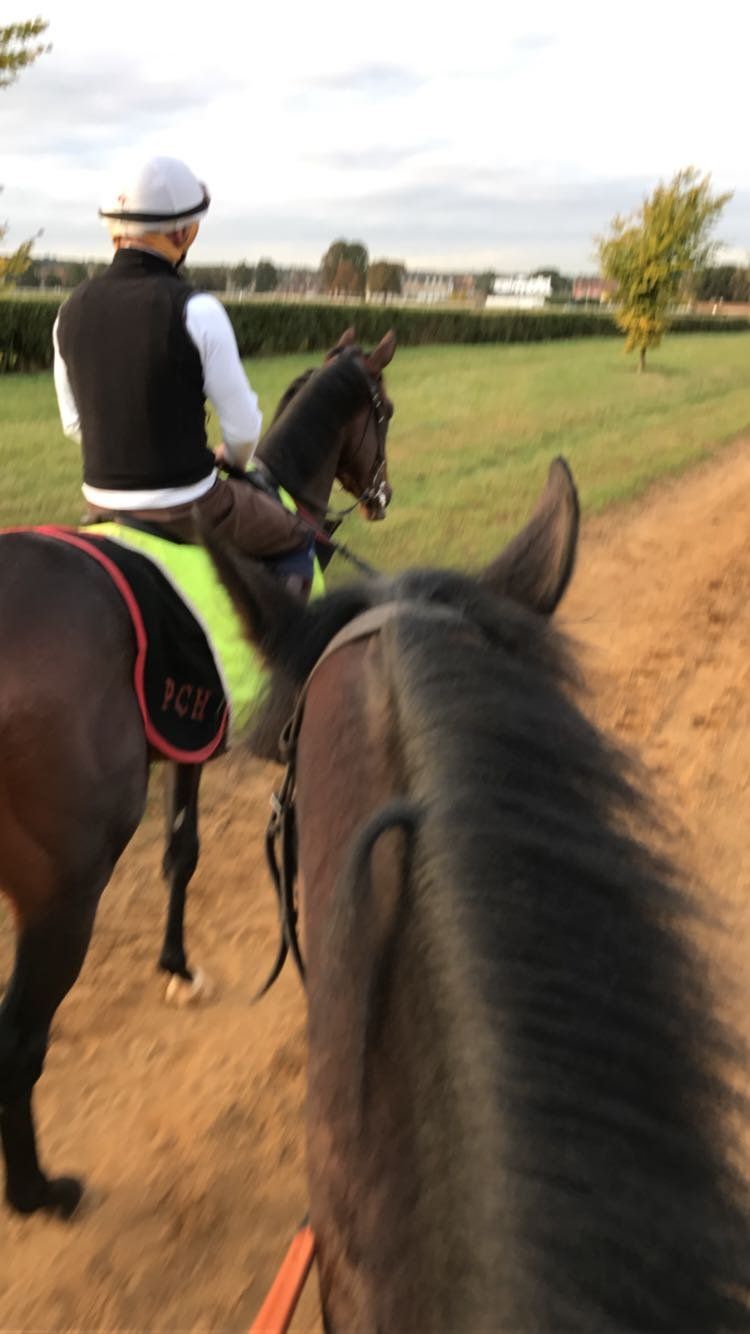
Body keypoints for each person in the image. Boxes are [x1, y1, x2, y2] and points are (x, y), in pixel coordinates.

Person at [53, 155, 311, 559]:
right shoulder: (198, 310)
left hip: (100, 502)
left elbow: (74, 423)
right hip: (190, 505)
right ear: (182, 233)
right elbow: (244, 430)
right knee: (297, 537)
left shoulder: (68, 310)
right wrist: (231, 458)